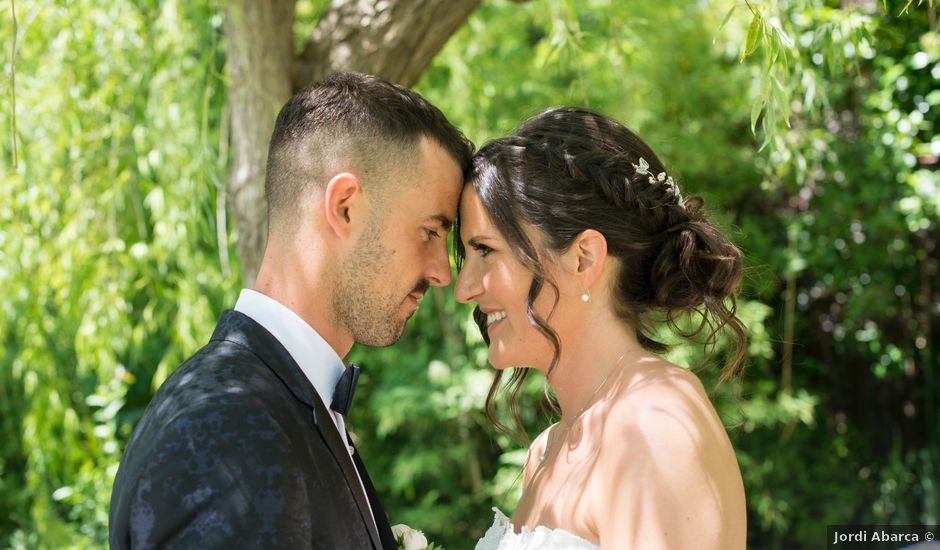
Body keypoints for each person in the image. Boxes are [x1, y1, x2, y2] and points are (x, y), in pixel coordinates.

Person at [109, 72, 472, 549]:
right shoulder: (230, 430)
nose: (443, 273)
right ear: (345, 207)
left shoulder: (279, 402)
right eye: (429, 232)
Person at [456, 107, 748, 549]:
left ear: (583, 259)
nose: (464, 288)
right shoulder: (545, 452)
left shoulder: (652, 421)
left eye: (485, 250)